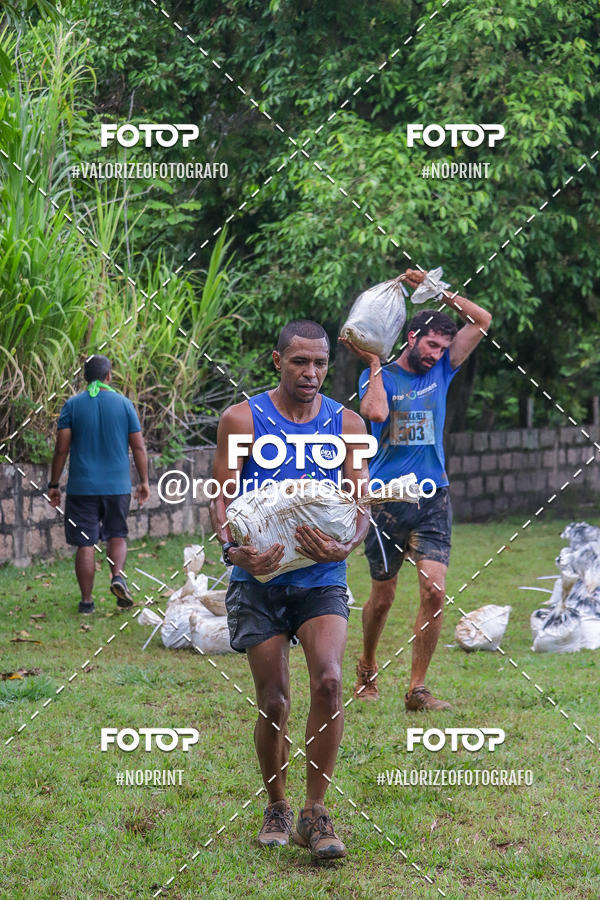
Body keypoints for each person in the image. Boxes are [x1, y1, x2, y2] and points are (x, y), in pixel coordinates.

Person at [210, 320, 370, 859]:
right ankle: (277, 804)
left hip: (320, 577)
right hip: (257, 581)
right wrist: (237, 553)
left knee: (328, 681)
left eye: (321, 363)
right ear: (276, 360)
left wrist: (346, 545)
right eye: (300, 362)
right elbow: (220, 502)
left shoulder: (345, 422)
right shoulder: (241, 419)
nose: (312, 373)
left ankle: (315, 814)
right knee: (274, 700)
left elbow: (361, 504)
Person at [341, 271, 492, 710]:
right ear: (411, 337)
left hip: (433, 497)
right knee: (383, 596)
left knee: (434, 591)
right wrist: (372, 366)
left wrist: (437, 290)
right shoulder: (381, 376)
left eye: (443, 348)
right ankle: (367, 666)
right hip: (387, 501)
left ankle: (417, 689)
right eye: (430, 345)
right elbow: (373, 412)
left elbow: (481, 320)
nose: (437, 354)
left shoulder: (444, 368)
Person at [48, 355, 149, 613]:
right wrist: (144, 481)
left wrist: (53, 484)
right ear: (109, 376)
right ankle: (117, 577)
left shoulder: (72, 405)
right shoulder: (125, 404)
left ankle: (86, 603)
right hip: (117, 486)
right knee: (117, 534)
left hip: (83, 487)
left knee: (86, 542)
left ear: (85, 378)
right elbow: (138, 446)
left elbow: (61, 449)